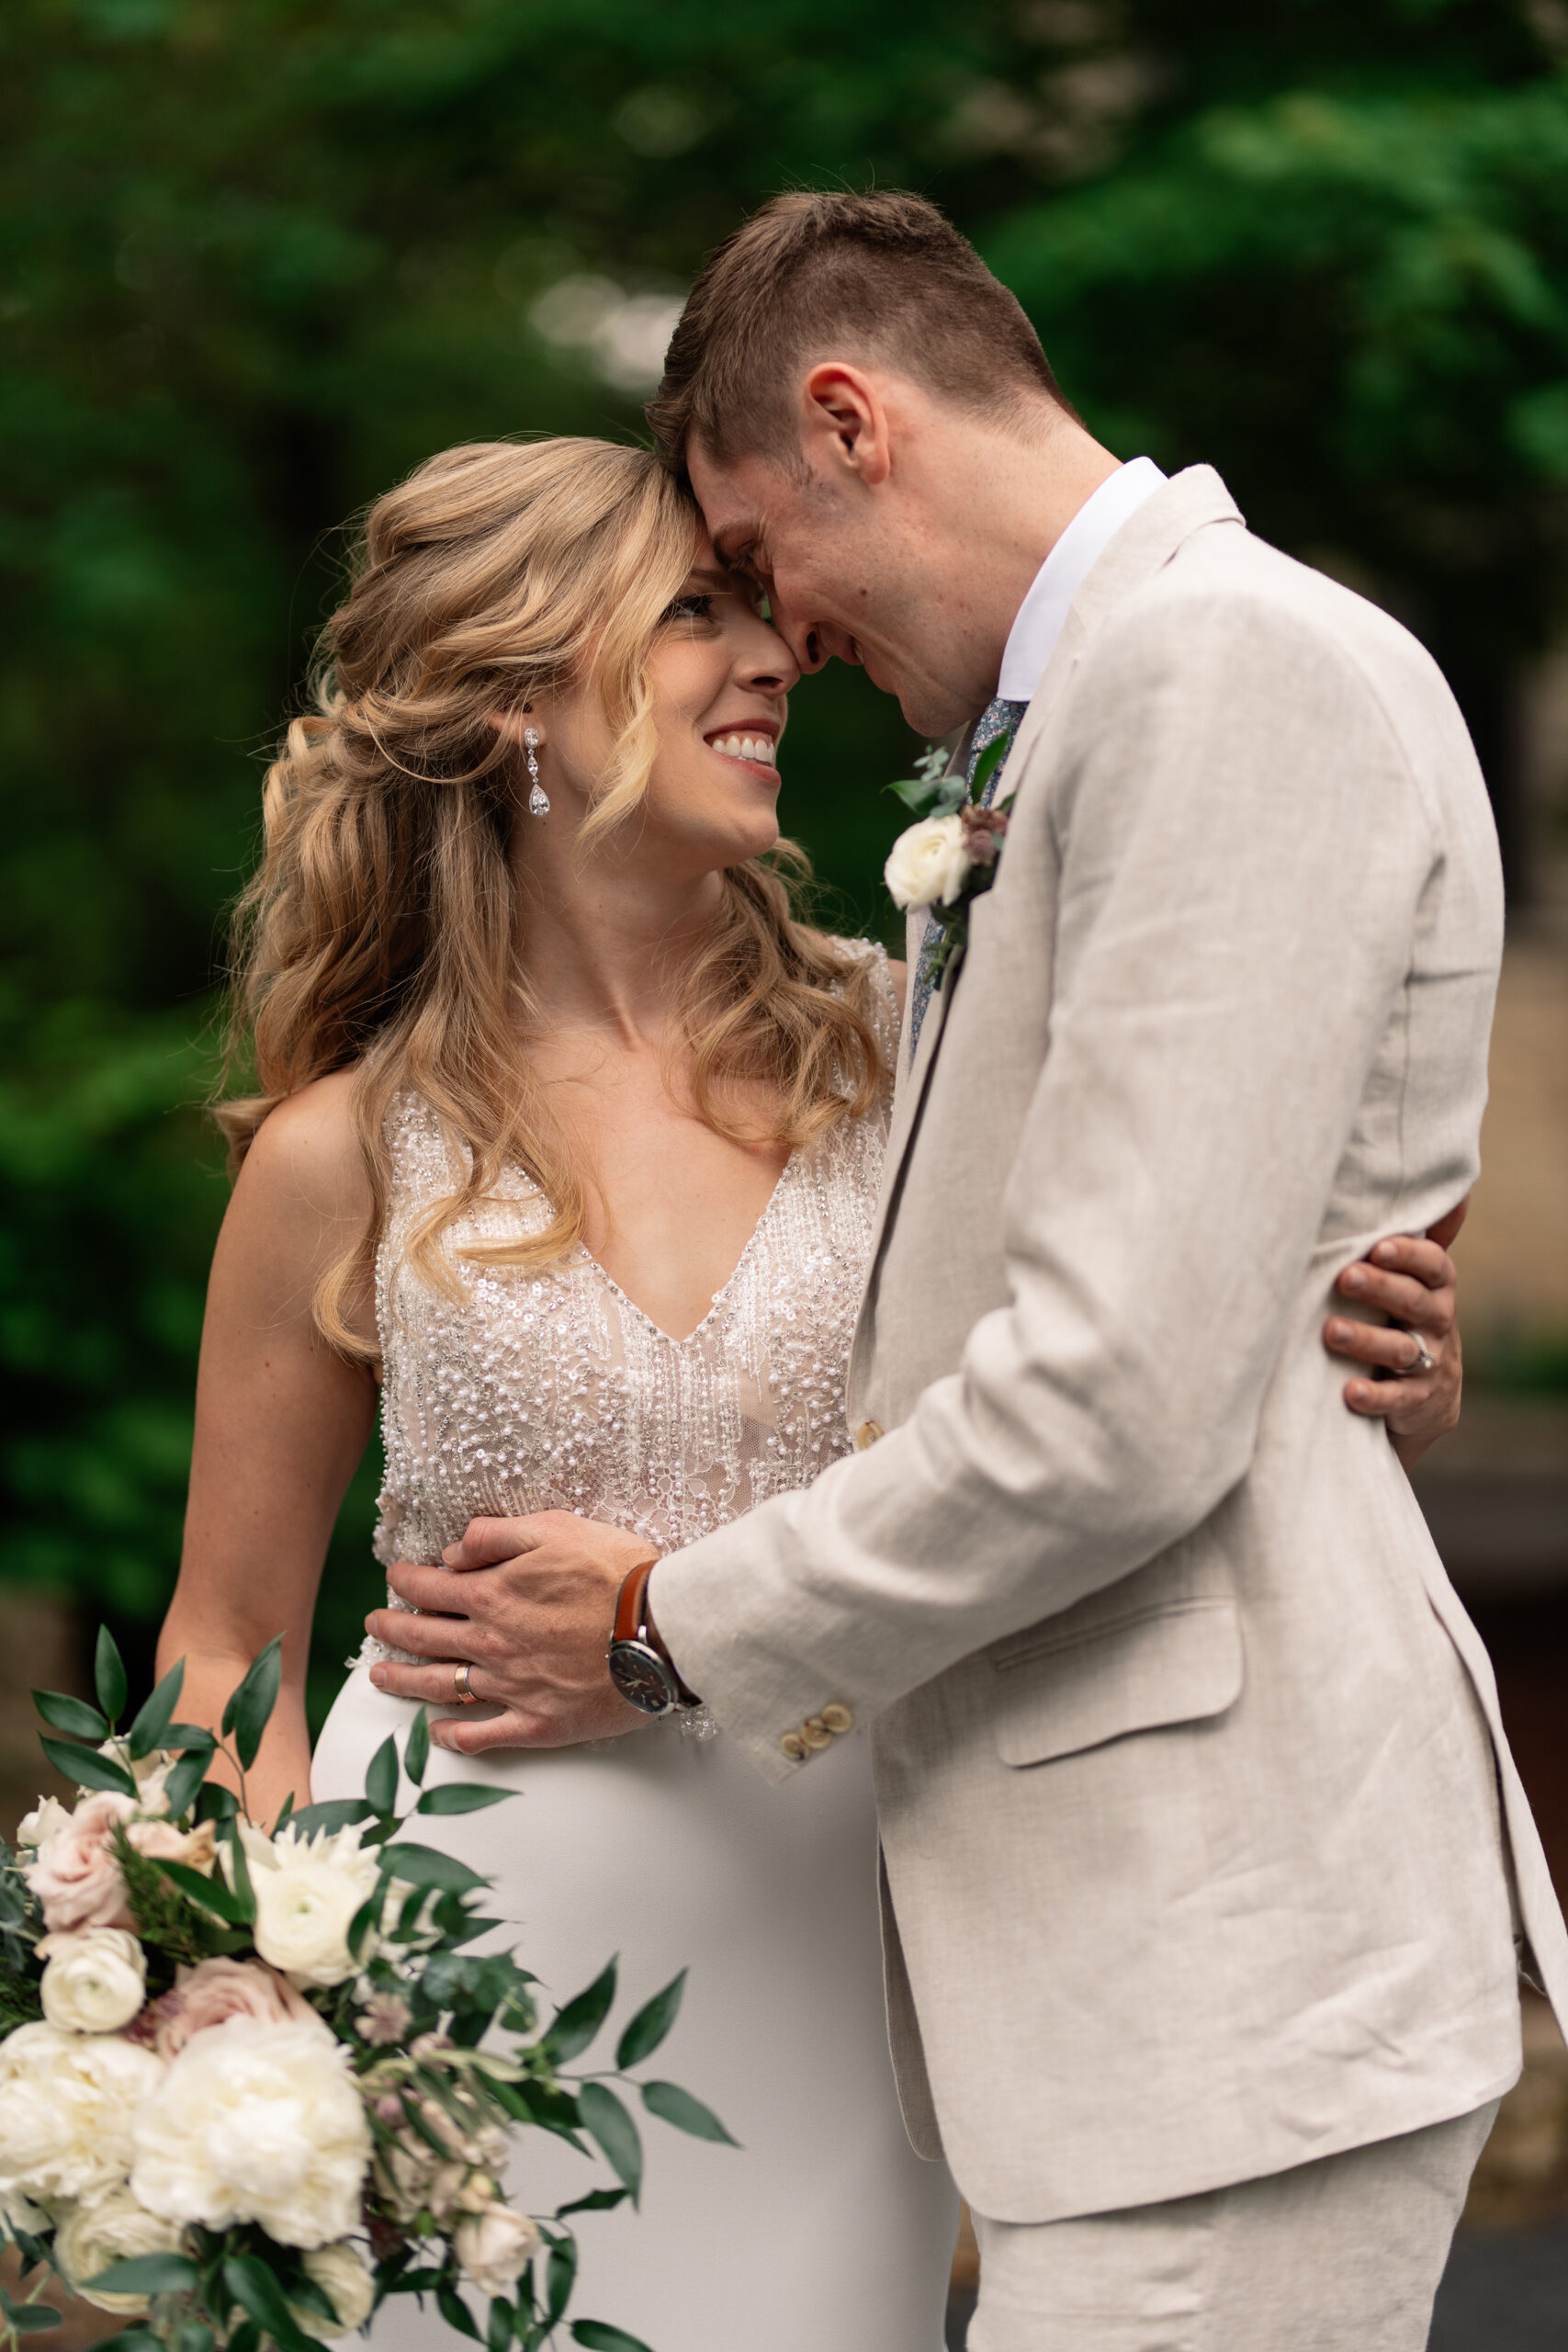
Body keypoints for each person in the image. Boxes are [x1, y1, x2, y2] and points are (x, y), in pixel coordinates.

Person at [374, 195, 1568, 2352]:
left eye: (752, 556)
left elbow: (1107, 1401)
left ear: (849, 421)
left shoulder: (1218, 670)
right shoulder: (1092, 718)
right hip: (1094, 1971)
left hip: (1218, 1947)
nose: (780, 637)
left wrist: (656, 1626)